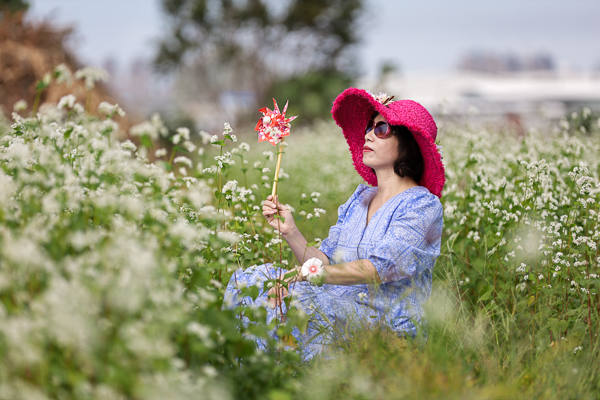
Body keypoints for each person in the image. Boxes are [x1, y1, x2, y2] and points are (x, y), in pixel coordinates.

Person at [224, 87, 445, 361]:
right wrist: (291, 231)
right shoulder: (361, 198)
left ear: (409, 142)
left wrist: (304, 276)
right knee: (246, 282)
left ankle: (274, 375)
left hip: (384, 319)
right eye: (368, 127)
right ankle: (239, 378)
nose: (367, 134)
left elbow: (380, 268)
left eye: (382, 128)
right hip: (336, 299)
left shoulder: (422, 205)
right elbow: (326, 260)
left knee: (288, 304)